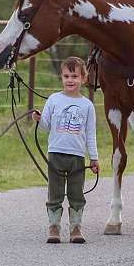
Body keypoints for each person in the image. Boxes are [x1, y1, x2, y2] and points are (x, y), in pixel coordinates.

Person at [32, 56, 100, 244]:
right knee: (55, 192)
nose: (70, 80)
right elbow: (46, 126)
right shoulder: (54, 100)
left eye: (74, 76)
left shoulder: (87, 105)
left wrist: (94, 158)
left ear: (83, 79)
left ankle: (76, 228)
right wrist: (39, 119)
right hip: (55, 153)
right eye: (66, 76)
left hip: (77, 157)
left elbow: (90, 134)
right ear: (61, 78)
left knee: (76, 193)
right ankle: (53, 227)